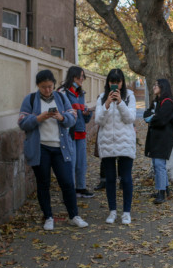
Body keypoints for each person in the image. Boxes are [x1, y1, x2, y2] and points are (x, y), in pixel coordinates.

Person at [18, 69, 89, 231]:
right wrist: (38, 118)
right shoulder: (30, 99)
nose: (47, 90)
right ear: (38, 86)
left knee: (67, 182)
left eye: (50, 86)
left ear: (54, 85)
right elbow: (22, 122)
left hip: (60, 148)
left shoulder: (61, 97)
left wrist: (61, 117)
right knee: (43, 183)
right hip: (40, 148)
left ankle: (74, 216)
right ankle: (48, 216)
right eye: (44, 87)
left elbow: (73, 117)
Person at [95, 69, 136, 225]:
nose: (115, 85)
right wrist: (106, 103)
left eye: (118, 82)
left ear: (122, 82)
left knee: (126, 178)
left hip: (125, 141)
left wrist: (120, 103)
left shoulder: (129, 96)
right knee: (110, 179)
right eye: (112, 82)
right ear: (108, 82)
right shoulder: (101, 97)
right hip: (107, 142)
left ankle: (126, 212)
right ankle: (112, 211)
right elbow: (99, 121)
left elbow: (130, 119)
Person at [59, 66, 94, 198]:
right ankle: (70, 191)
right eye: (80, 76)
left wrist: (87, 113)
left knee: (81, 163)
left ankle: (81, 188)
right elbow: (61, 113)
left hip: (81, 131)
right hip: (69, 132)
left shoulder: (81, 93)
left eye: (83, 76)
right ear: (73, 76)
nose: (82, 79)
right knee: (71, 163)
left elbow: (85, 118)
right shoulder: (63, 92)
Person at [144, 78, 173, 204]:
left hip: (163, 139)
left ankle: (161, 193)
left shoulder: (167, 102)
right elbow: (146, 114)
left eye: (156, 85)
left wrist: (152, 118)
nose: (154, 87)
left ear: (163, 87)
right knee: (157, 164)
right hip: (156, 138)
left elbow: (161, 120)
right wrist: (152, 117)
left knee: (159, 165)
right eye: (154, 85)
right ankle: (165, 188)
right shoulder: (156, 101)